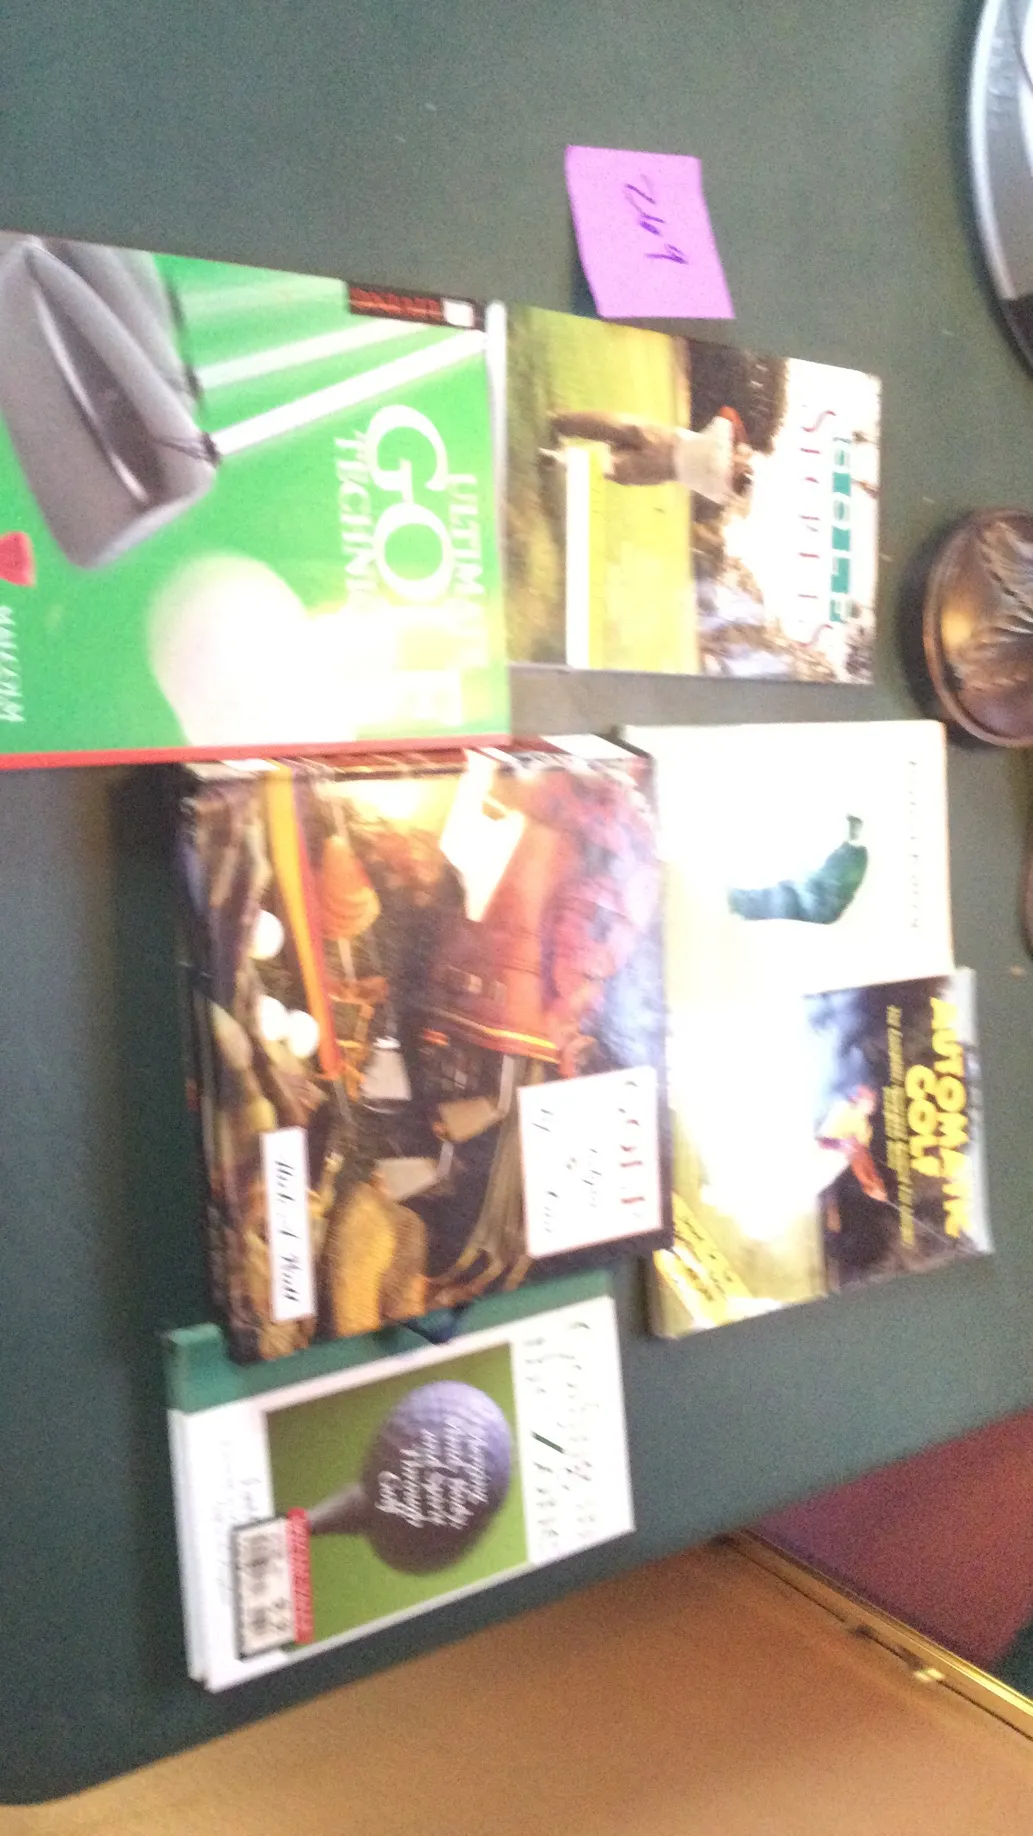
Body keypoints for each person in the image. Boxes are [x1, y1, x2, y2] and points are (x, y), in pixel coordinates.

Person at [543, 404, 753, 507]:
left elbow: (728, 412)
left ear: (741, 470)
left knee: (610, 426)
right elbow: (730, 499)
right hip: (664, 470)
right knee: (609, 466)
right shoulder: (720, 492)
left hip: (665, 439)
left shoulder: (722, 446)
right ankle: (560, 459)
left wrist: (742, 442)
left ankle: (562, 422)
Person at [728, 816, 868, 924]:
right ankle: (738, 900)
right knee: (784, 895)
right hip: (817, 900)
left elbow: (829, 891)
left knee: (784, 898)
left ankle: (737, 901)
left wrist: (806, 883)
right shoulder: (847, 856)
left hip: (819, 905)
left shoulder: (853, 858)